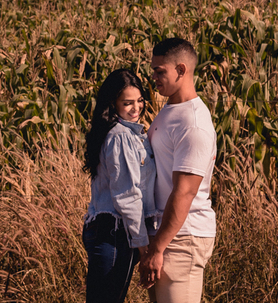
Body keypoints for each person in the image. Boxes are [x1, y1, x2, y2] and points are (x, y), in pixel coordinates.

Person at [139, 38, 217, 303]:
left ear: (181, 70)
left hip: (182, 238)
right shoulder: (171, 110)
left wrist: (158, 248)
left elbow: (185, 191)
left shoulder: (193, 123)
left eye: (160, 71)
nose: (153, 77)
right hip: (166, 236)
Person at [83, 68, 156, 303]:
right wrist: (143, 246)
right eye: (127, 103)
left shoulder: (119, 133)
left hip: (106, 230)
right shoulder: (121, 136)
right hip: (115, 232)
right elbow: (127, 196)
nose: (136, 108)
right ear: (113, 103)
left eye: (140, 100)